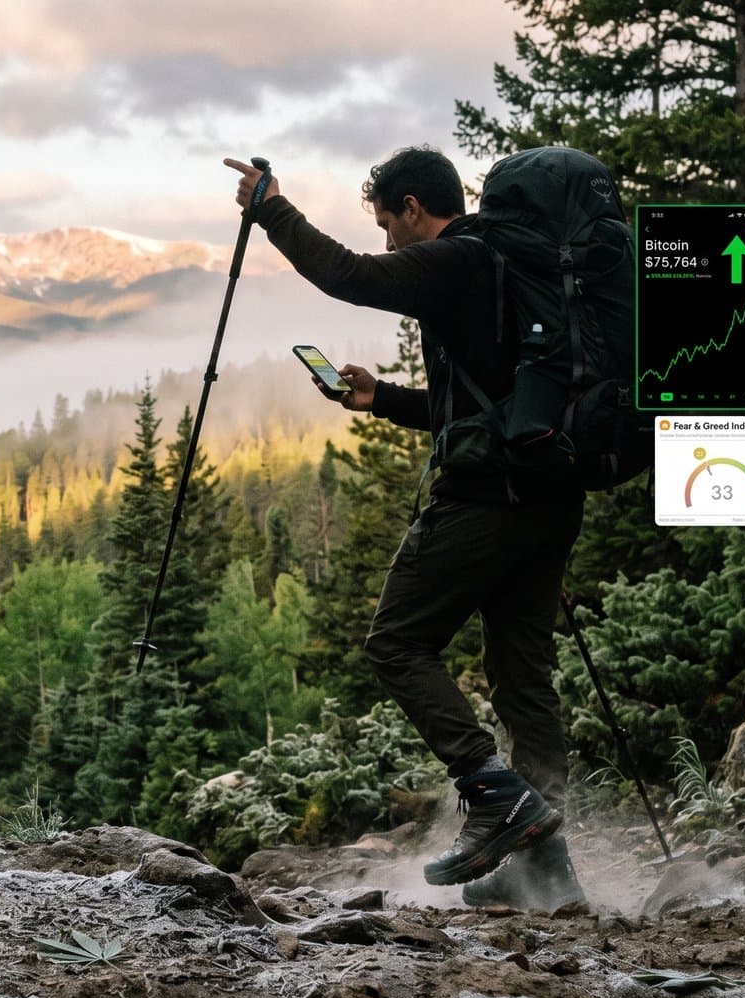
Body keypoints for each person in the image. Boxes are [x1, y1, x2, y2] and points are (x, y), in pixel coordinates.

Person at [224, 148, 584, 911]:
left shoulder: (453, 259)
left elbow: (351, 276)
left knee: (395, 641)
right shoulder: (508, 270)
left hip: (487, 499)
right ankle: (549, 874)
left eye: (390, 223)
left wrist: (271, 209)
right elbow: (483, 408)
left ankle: (496, 795)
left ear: (415, 208)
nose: (390, 242)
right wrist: (382, 397)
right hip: (550, 495)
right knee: (523, 680)